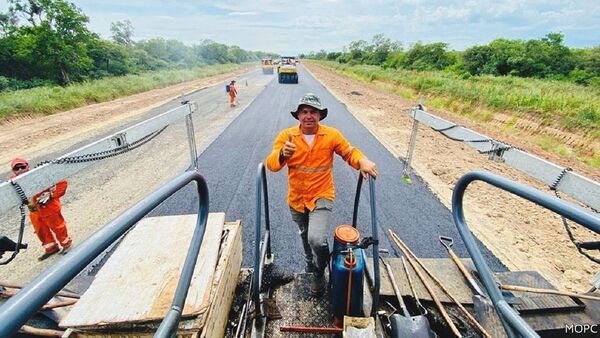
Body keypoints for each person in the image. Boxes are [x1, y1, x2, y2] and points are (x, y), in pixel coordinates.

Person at [265, 93, 378, 295]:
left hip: (321, 195)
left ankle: (320, 271)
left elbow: (348, 151)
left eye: (313, 112)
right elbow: (271, 164)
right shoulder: (287, 137)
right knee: (304, 235)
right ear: (298, 115)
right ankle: (310, 265)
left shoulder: (331, 135)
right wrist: (282, 153)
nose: (309, 116)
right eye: (304, 112)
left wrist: (362, 161)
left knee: (316, 238)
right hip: (297, 199)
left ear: (320, 115)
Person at [9, 158, 72, 261]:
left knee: (58, 227)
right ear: (13, 171)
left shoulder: (40, 174)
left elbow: (62, 182)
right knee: (41, 231)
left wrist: (51, 195)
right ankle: (51, 248)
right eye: (17, 168)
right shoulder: (13, 182)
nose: (20, 170)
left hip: (49, 209)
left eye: (23, 167)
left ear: (28, 167)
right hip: (34, 211)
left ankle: (67, 245)